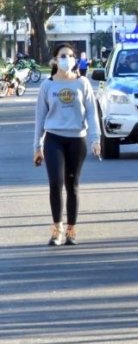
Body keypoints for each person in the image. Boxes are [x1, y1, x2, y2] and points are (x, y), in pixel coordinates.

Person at [33, 43, 101, 246]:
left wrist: (95, 139)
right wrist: (37, 146)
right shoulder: (47, 86)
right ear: (54, 60)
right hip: (54, 138)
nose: (67, 59)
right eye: (63, 56)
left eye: (70, 56)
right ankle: (57, 230)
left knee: (72, 185)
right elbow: (40, 117)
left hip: (76, 139)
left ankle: (71, 230)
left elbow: (91, 112)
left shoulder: (83, 83)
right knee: (55, 183)